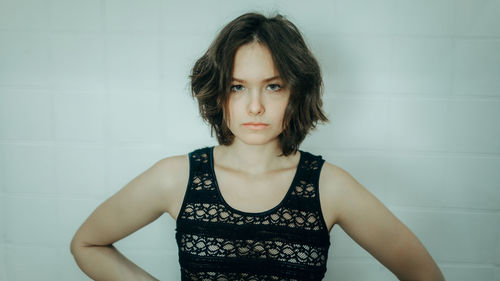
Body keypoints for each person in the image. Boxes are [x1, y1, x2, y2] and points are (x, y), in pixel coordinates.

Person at [70, 12, 445, 281]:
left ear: (296, 93)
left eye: (273, 86)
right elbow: (87, 244)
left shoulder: (330, 186)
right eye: (237, 87)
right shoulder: (176, 178)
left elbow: (425, 275)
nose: (255, 106)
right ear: (218, 94)